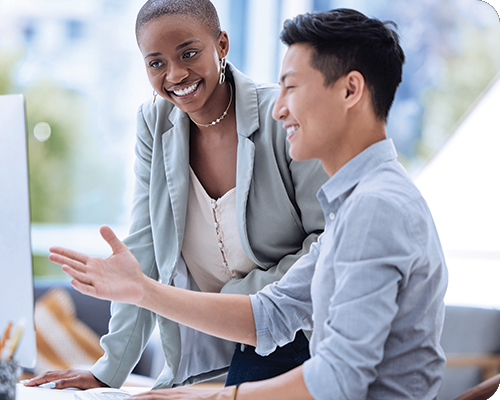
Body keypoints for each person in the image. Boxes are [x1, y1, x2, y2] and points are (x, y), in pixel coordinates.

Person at [51, 8, 449, 400]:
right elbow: (273, 314)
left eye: (292, 88)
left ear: (350, 91)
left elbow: (338, 378)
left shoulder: (374, 208)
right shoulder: (356, 202)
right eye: (157, 62)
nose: (278, 108)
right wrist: (141, 292)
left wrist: (223, 398)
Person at [25, 0, 328, 390]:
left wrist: (237, 300)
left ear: (221, 45)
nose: (175, 74)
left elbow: (330, 242)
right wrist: (108, 371)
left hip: (295, 334)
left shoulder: (282, 117)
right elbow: (143, 249)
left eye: (189, 53)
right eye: (156, 63)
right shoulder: (154, 124)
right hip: (205, 346)